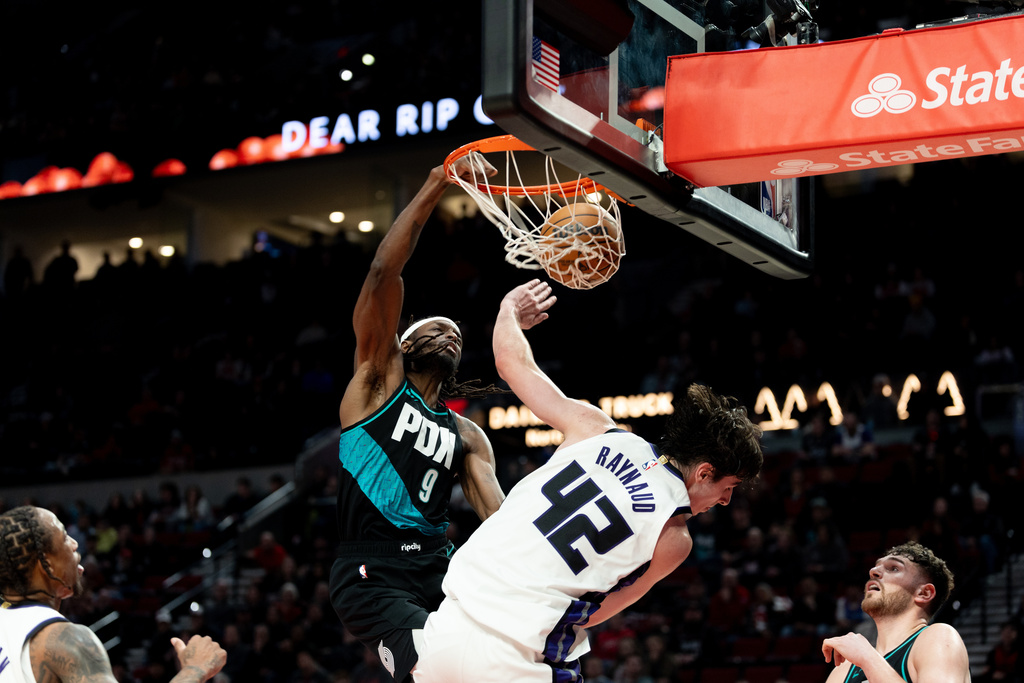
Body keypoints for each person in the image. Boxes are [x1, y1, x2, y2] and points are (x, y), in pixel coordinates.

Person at [413, 279, 764, 682]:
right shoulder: (674, 536)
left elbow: (513, 365)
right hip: (515, 657)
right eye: (728, 488)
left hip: (444, 631)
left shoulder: (596, 427)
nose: (724, 502)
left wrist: (509, 308)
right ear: (704, 472)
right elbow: (597, 612)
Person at [329, 153, 509, 683]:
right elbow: (385, 271)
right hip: (374, 571)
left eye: (455, 330)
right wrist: (438, 183)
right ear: (401, 347)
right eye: (433, 327)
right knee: (434, 671)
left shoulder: (468, 436)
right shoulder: (377, 384)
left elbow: (499, 520)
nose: (449, 330)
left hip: (442, 569)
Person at [0, 505, 226, 683]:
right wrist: (196, 669)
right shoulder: (68, 640)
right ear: (45, 563)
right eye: (64, 536)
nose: (74, 544)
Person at [822, 541, 970, 683]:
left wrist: (867, 658)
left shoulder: (939, 637)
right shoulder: (845, 669)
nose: (873, 571)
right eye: (875, 567)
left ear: (924, 593)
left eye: (893, 568)